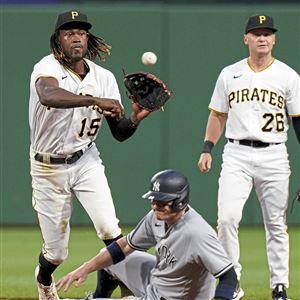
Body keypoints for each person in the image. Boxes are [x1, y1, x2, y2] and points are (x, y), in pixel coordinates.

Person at [29, 10, 152, 300]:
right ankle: (43, 277)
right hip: (48, 167)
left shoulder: (104, 78)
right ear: (57, 39)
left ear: (88, 38)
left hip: (86, 160)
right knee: (56, 253)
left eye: (81, 32)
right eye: (69, 32)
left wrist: (134, 118)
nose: (76, 37)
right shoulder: (46, 68)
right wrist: (94, 100)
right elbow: (49, 96)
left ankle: (127, 292)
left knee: (111, 229)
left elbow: (119, 132)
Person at [197, 14, 300, 300]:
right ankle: (233, 282)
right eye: (256, 34)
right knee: (227, 219)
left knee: (276, 224)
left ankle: (279, 286)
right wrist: (207, 148)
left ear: (275, 39)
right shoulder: (229, 73)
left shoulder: (289, 76)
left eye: (268, 33)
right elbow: (218, 114)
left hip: (275, 154)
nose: (263, 38)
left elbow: (298, 122)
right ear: (246, 39)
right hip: (236, 153)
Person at [56, 169, 238, 300]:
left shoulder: (197, 234)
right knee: (107, 257)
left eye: (162, 202)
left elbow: (229, 276)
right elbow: (125, 246)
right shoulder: (156, 217)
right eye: (154, 200)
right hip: (156, 281)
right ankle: (98, 297)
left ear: (180, 202)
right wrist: (84, 269)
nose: (155, 206)